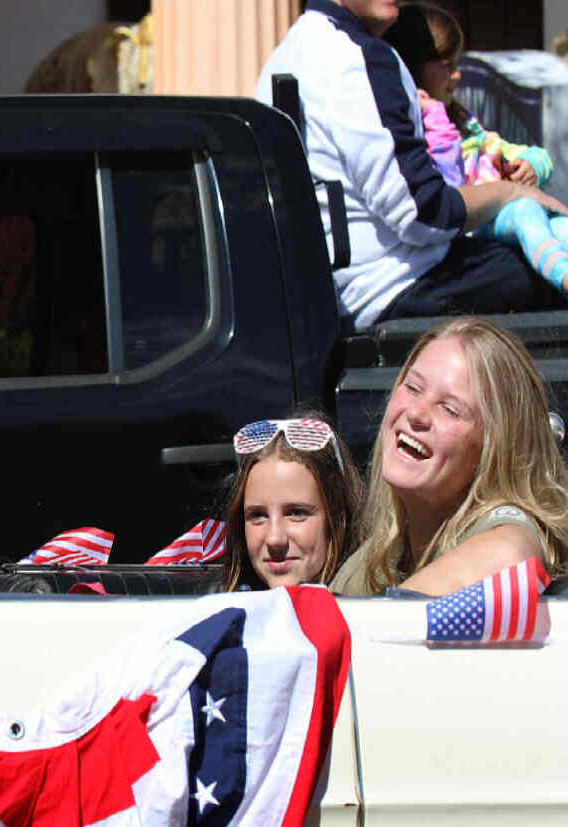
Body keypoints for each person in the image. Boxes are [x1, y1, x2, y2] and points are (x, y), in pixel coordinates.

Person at [254, 1, 568, 331]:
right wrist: (510, 192)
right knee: (547, 267)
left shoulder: (284, 55)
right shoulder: (360, 59)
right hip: (394, 289)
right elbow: (423, 213)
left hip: (340, 294)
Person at [331, 316, 568, 596]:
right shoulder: (378, 555)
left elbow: (511, 554)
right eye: (413, 388)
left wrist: (384, 616)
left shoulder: (509, 530)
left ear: (494, 449)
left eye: (450, 409)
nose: (416, 413)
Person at [384, 3, 568, 295]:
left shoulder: (464, 122)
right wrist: (435, 117)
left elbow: (522, 151)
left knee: (561, 228)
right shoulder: (414, 128)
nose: (457, 75)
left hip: (503, 213)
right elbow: (450, 182)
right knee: (526, 211)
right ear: (413, 66)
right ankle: (563, 277)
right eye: (447, 65)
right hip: (473, 225)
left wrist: (531, 166)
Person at [221, 415, 363, 590]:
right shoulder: (217, 603)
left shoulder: (379, 604)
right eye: (257, 515)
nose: (274, 539)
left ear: (338, 516)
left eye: (297, 513)